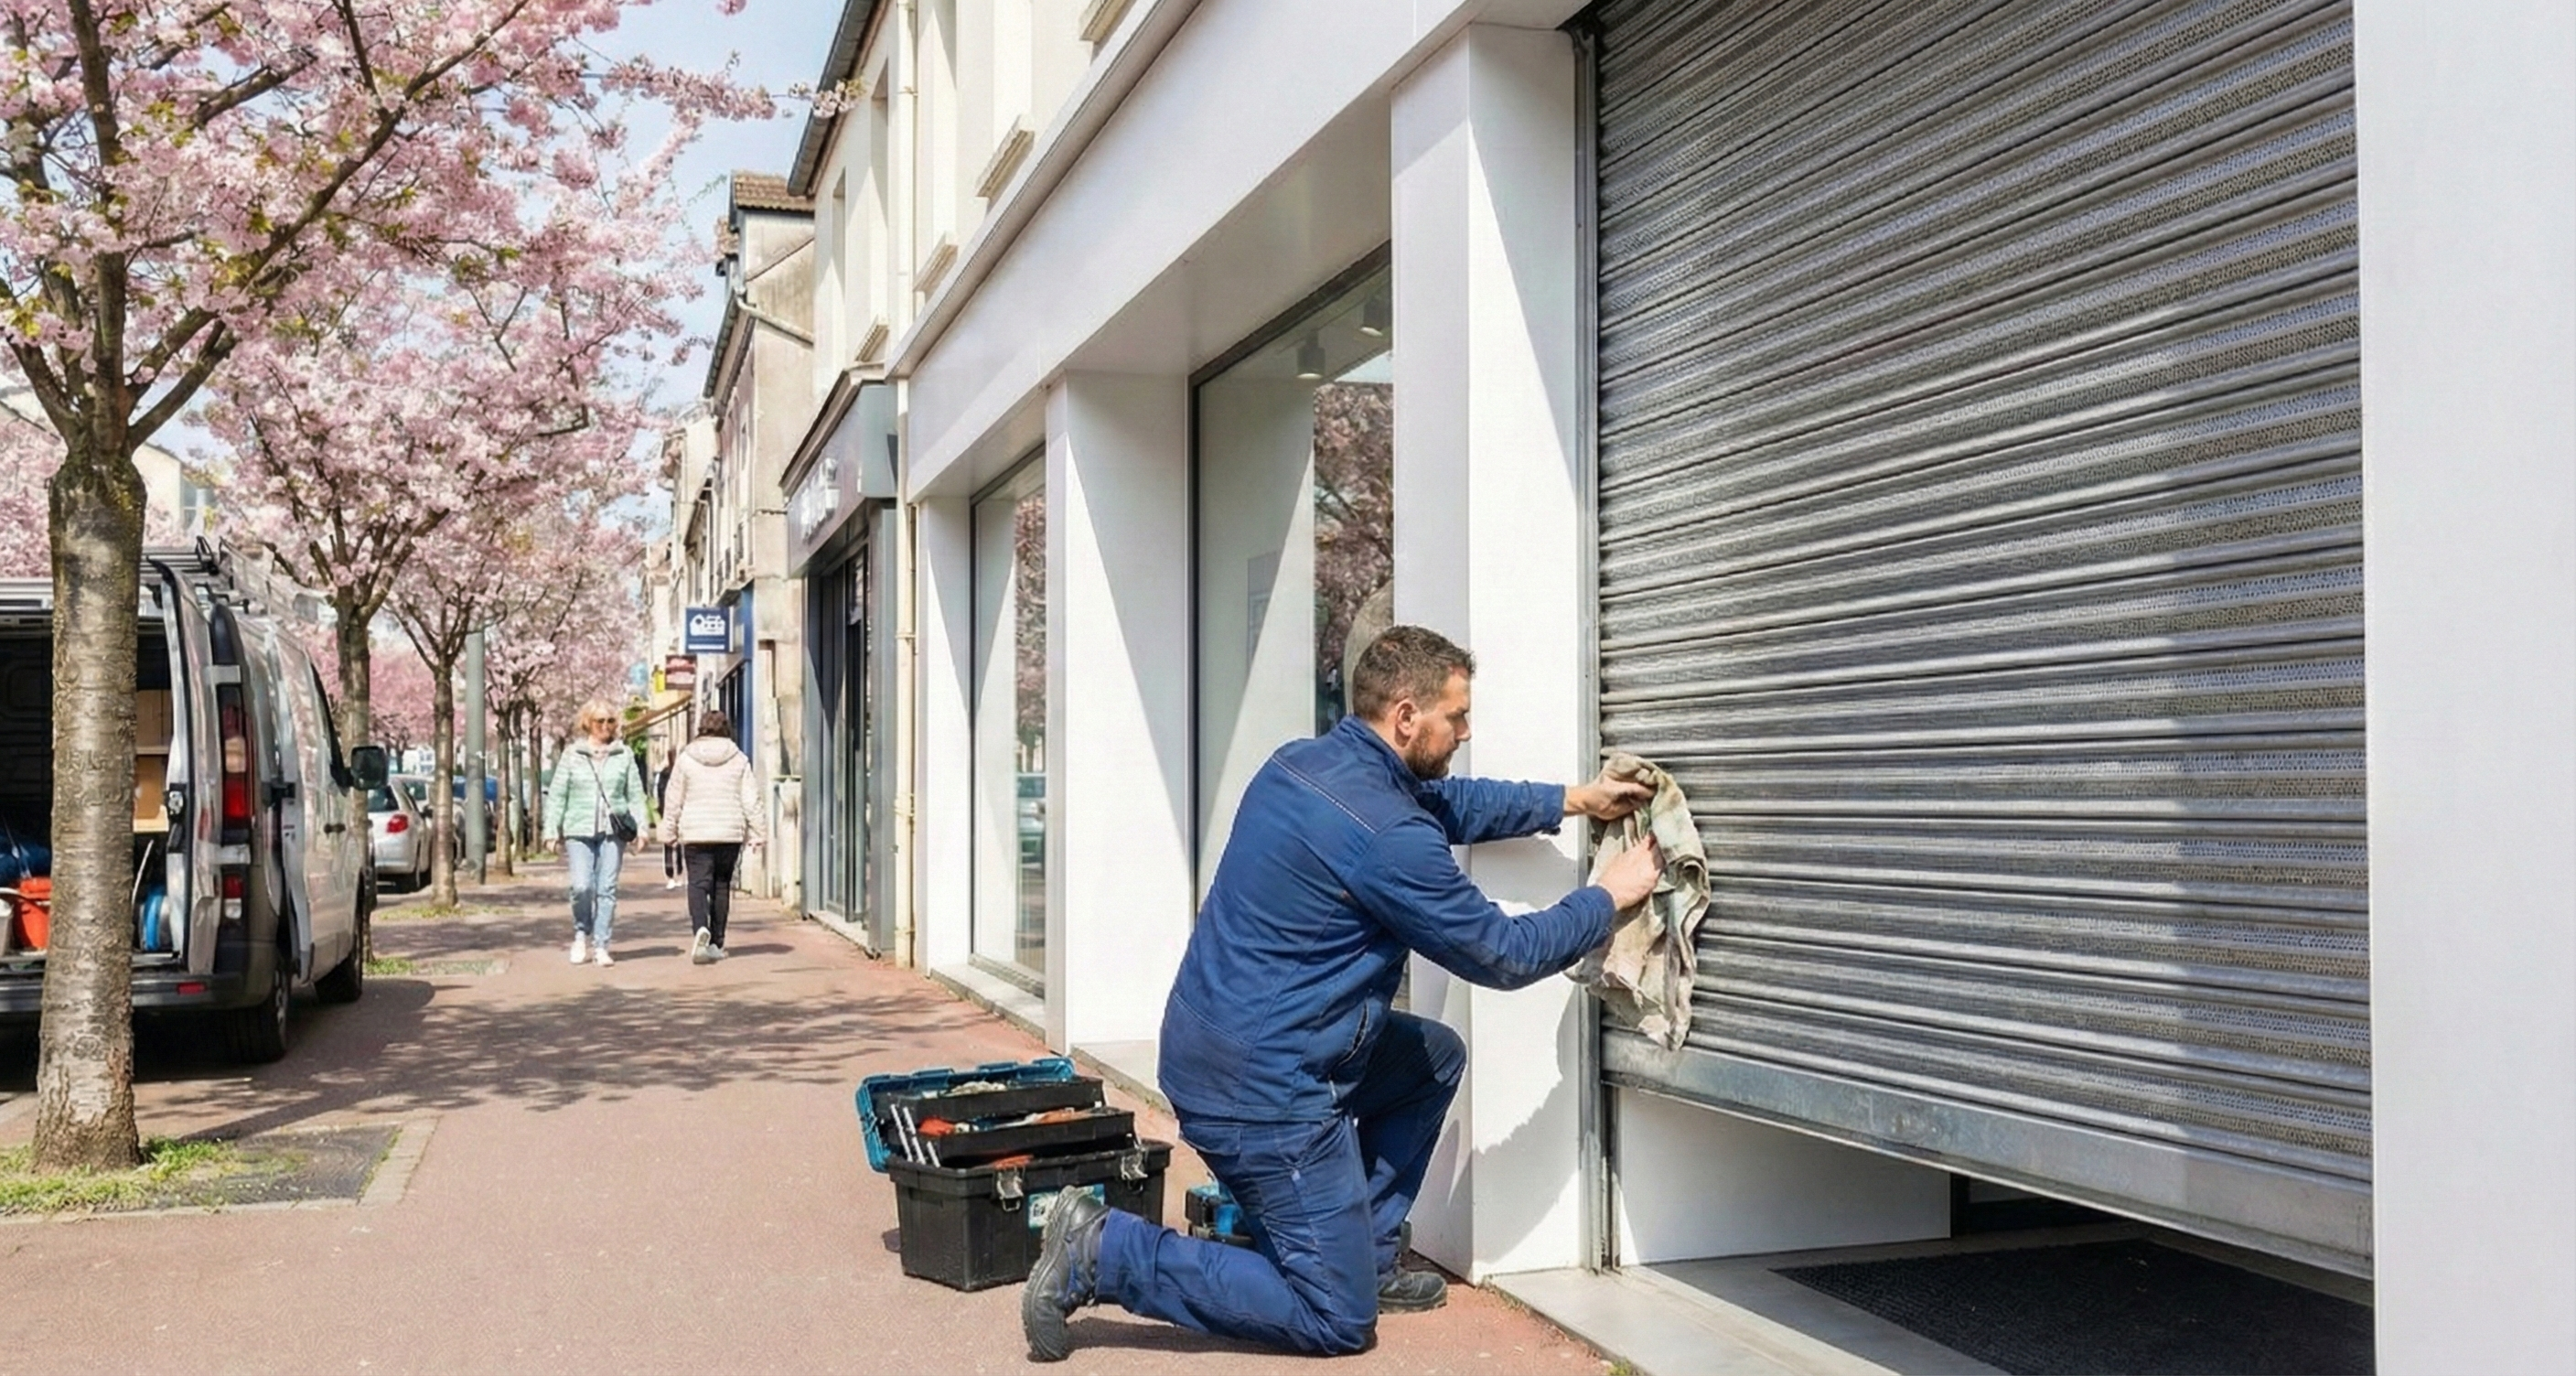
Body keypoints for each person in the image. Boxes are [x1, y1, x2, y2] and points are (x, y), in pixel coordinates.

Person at [1021, 626, 1662, 1361]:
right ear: (1407, 716)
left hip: (1223, 1044)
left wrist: (1573, 799)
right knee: (1333, 1317)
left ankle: (1367, 1253)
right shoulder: (1387, 832)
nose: (1467, 730)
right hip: (1262, 1089)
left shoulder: (1304, 765)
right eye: (1456, 717)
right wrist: (1606, 898)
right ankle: (1103, 1250)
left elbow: (1447, 805)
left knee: (1432, 1059)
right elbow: (1502, 952)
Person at [542, 700, 647, 968]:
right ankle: (581, 932)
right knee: (582, 886)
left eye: (610, 721)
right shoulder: (572, 754)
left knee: (607, 889)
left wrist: (642, 828)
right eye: (599, 721)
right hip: (578, 829)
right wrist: (551, 831)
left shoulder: (624, 755)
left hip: (613, 831)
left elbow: (635, 794)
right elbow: (557, 795)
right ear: (587, 722)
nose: (605, 726)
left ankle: (601, 944)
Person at [658, 710, 765, 966]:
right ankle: (717, 941)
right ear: (727, 729)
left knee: (698, 883)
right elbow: (751, 799)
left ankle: (699, 930)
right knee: (721, 886)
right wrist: (759, 831)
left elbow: (674, 799)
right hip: (729, 833)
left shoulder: (686, 759)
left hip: (695, 832)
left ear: (700, 730)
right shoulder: (738, 759)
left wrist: (668, 831)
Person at [652, 758, 682, 890]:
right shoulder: (681, 773)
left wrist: (659, 808)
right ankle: (679, 875)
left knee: (668, 845)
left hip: (666, 811)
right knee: (680, 845)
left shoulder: (663, 775)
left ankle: (670, 877)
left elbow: (656, 792)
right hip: (680, 812)